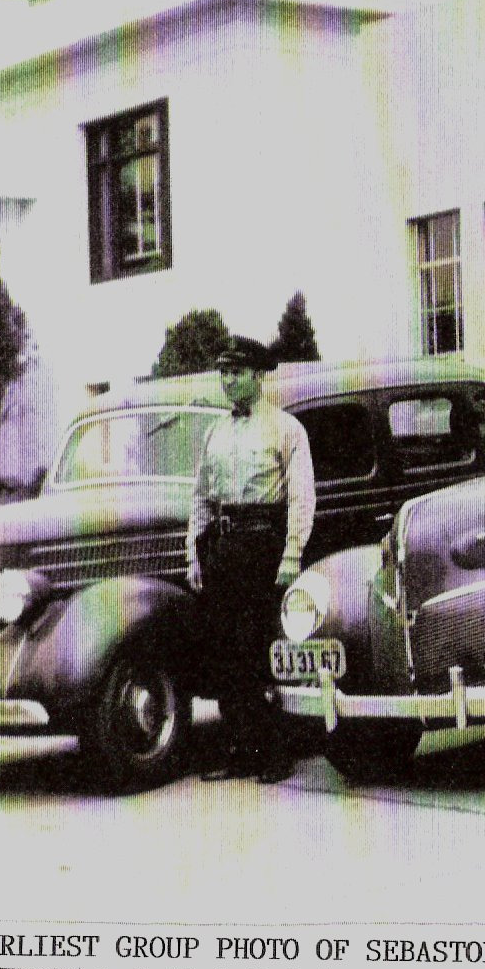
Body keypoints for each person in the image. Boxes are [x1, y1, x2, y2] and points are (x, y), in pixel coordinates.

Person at [188, 335, 316, 782]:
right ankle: (239, 748)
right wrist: (194, 556)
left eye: (238, 372)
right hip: (223, 548)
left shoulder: (285, 429)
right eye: (224, 372)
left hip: (264, 547)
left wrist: (292, 554)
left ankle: (274, 753)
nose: (229, 381)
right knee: (224, 654)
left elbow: (302, 497)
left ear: (259, 378)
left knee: (260, 651)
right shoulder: (215, 433)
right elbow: (201, 498)